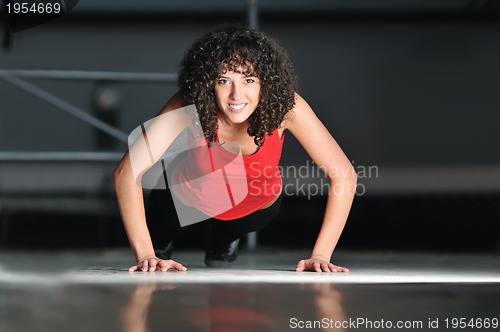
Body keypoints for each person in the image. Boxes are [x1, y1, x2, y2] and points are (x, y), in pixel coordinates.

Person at [113, 25, 357, 273]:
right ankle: (160, 243)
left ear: (267, 82)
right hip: (188, 196)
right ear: (208, 84)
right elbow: (126, 172)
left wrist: (321, 255)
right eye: (224, 80)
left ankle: (226, 237)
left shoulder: (287, 108)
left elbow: (344, 174)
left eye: (249, 80)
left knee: (226, 246)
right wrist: (145, 253)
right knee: (162, 218)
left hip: (251, 207)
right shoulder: (189, 104)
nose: (236, 95)